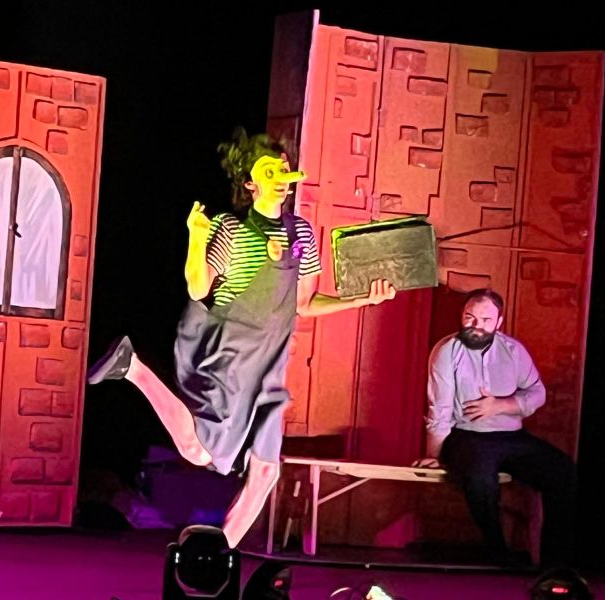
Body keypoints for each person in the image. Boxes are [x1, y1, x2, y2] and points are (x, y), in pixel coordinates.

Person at [88, 129, 395, 547]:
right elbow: (199, 287)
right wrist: (197, 237)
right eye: (270, 171)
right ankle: (134, 369)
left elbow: (304, 303)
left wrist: (363, 299)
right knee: (199, 452)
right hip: (231, 352)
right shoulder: (233, 230)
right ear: (250, 183)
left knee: (266, 472)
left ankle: (215, 557)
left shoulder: (302, 234)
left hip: (271, 362)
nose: (281, 177)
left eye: (285, 169)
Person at [413, 288, 576, 566]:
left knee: (563, 472)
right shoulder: (447, 351)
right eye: (470, 317)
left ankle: (553, 563)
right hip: (467, 436)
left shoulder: (514, 351)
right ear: (462, 316)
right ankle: (497, 552)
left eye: (486, 320)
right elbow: (439, 406)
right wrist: (434, 454)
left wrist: (501, 405)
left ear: (499, 322)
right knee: (480, 477)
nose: (476, 326)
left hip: (511, 436)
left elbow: (537, 393)